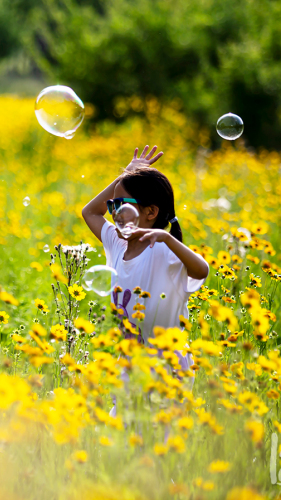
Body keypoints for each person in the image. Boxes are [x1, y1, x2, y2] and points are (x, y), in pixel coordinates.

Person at [81, 145, 209, 414]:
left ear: (150, 212)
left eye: (122, 205)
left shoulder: (164, 250)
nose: (114, 212)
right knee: (122, 446)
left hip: (167, 368)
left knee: (157, 449)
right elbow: (91, 212)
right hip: (130, 363)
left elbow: (201, 271)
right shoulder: (117, 244)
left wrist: (166, 238)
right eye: (112, 205)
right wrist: (125, 175)